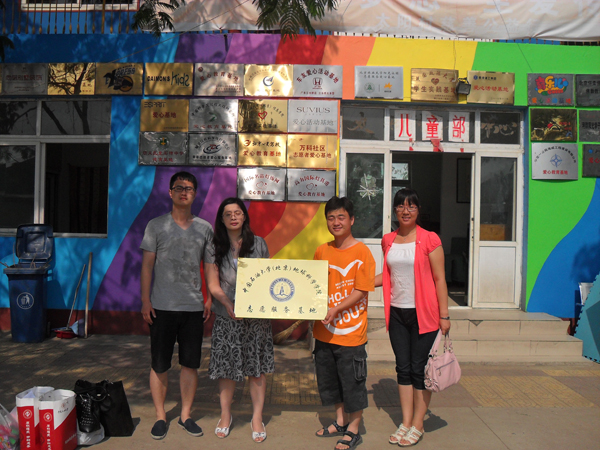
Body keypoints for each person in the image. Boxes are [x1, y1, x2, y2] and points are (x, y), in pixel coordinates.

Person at [374, 188, 450, 447]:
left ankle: (418, 423)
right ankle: (405, 422)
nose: (405, 211)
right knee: (403, 368)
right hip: (397, 313)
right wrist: (356, 282)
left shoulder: (430, 239)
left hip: (424, 315)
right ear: (395, 210)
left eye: (411, 206)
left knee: (419, 370)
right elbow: (387, 276)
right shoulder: (388, 240)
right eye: (401, 206)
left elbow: (440, 279)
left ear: (418, 210)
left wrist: (444, 315)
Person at [140, 171, 213, 440]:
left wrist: (209, 297)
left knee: (190, 364)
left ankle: (185, 415)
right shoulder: (156, 226)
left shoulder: (204, 228)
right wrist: (145, 300)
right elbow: (147, 266)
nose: (184, 192)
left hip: (193, 307)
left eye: (189, 188)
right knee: (159, 364)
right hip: (161, 307)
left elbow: (210, 266)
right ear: (170, 192)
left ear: (195, 194)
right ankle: (161, 416)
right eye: (179, 188)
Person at [205, 197, 274, 443]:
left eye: (237, 213)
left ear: (244, 216)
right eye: (228, 214)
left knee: (256, 369)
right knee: (227, 369)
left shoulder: (259, 244)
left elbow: (268, 277)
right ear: (221, 219)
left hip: (256, 319)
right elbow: (213, 284)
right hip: (227, 317)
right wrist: (227, 303)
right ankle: (225, 416)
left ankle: (257, 418)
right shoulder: (213, 246)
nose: (233, 217)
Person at [313, 196, 376, 450]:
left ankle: (354, 429)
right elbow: (313, 285)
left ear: (352, 220)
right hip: (324, 332)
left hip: (351, 334)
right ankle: (340, 421)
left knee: (353, 384)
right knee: (330, 382)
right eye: (331, 218)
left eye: (341, 217)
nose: (336, 222)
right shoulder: (322, 250)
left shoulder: (362, 252)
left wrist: (336, 308)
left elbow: (361, 290)